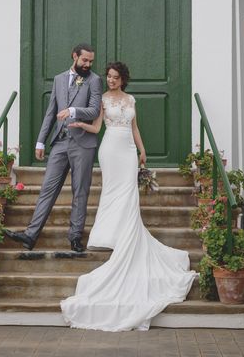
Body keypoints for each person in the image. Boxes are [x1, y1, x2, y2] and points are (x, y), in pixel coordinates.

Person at [60, 61, 196, 331]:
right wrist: (79, 124)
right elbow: (98, 128)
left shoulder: (131, 99)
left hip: (128, 150)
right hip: (110, 148)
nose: (110, 80)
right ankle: (109, 234)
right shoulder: (102, 99)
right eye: (108, 77)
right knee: (113, 191)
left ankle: (126, 231)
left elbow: (134, 127)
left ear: (123, 79)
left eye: (114, 77)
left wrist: (142, 150)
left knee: (129, 192)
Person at [5, 44, 103, 252]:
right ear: (74, 56)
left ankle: (75, 237)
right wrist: (40, 141)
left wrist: (73, 110)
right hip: (59, 142)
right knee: (47, 189)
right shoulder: (59, 79)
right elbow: (51, 113)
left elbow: (94, 110)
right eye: (85, 60)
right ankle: (31, 235)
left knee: (80, 191)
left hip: (83, 144)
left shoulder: (94, 80)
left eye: (91, 61)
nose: (88, 64)